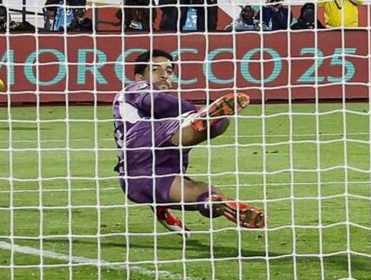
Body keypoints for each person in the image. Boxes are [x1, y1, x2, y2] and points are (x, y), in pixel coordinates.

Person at [113, 49, 266, 235]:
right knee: (210, 121)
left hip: (140, 181)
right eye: (155, 70)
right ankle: (203, 120)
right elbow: (156, 102)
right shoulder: (134, 88)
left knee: (199, 191)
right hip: (141, 145)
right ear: (139, 77)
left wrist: (165, 216)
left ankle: (214, 203)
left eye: (169, 72)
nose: (164, 75)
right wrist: (196, 110)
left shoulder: (170, 113)